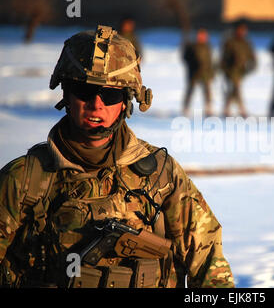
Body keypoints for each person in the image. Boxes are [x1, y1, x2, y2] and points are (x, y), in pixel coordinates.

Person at [0, 25, 234, 288]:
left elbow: (210, 267)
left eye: (110, 94)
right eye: (85, 90)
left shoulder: (161, 175)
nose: (96, 104)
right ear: (66, 93)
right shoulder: (24, 180)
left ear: (126, 101)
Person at [220, 20, 256, 118]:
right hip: (231, 70)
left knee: (234, 90)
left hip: (241, 71)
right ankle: (240, 109)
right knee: (235, 88)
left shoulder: (246, 43)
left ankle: (228, 108)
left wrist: (251, 67)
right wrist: (225, 68)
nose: (242, 32)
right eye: (240, 30)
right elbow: (224, 57)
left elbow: (252, 57)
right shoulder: (230, 42)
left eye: (244, 30)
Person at [182, 28, 215, 117]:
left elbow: (210, 61)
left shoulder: (207, 47)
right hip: (194, 73)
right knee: (190, 91)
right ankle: (186, 108)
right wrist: (194, 63)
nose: (202, 37)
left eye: (204, 36)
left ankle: (208, 108)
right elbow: (185, 58)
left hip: (205, 73)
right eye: (201, 35)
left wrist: (211, 73)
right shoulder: (191, 46)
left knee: (207, 92)